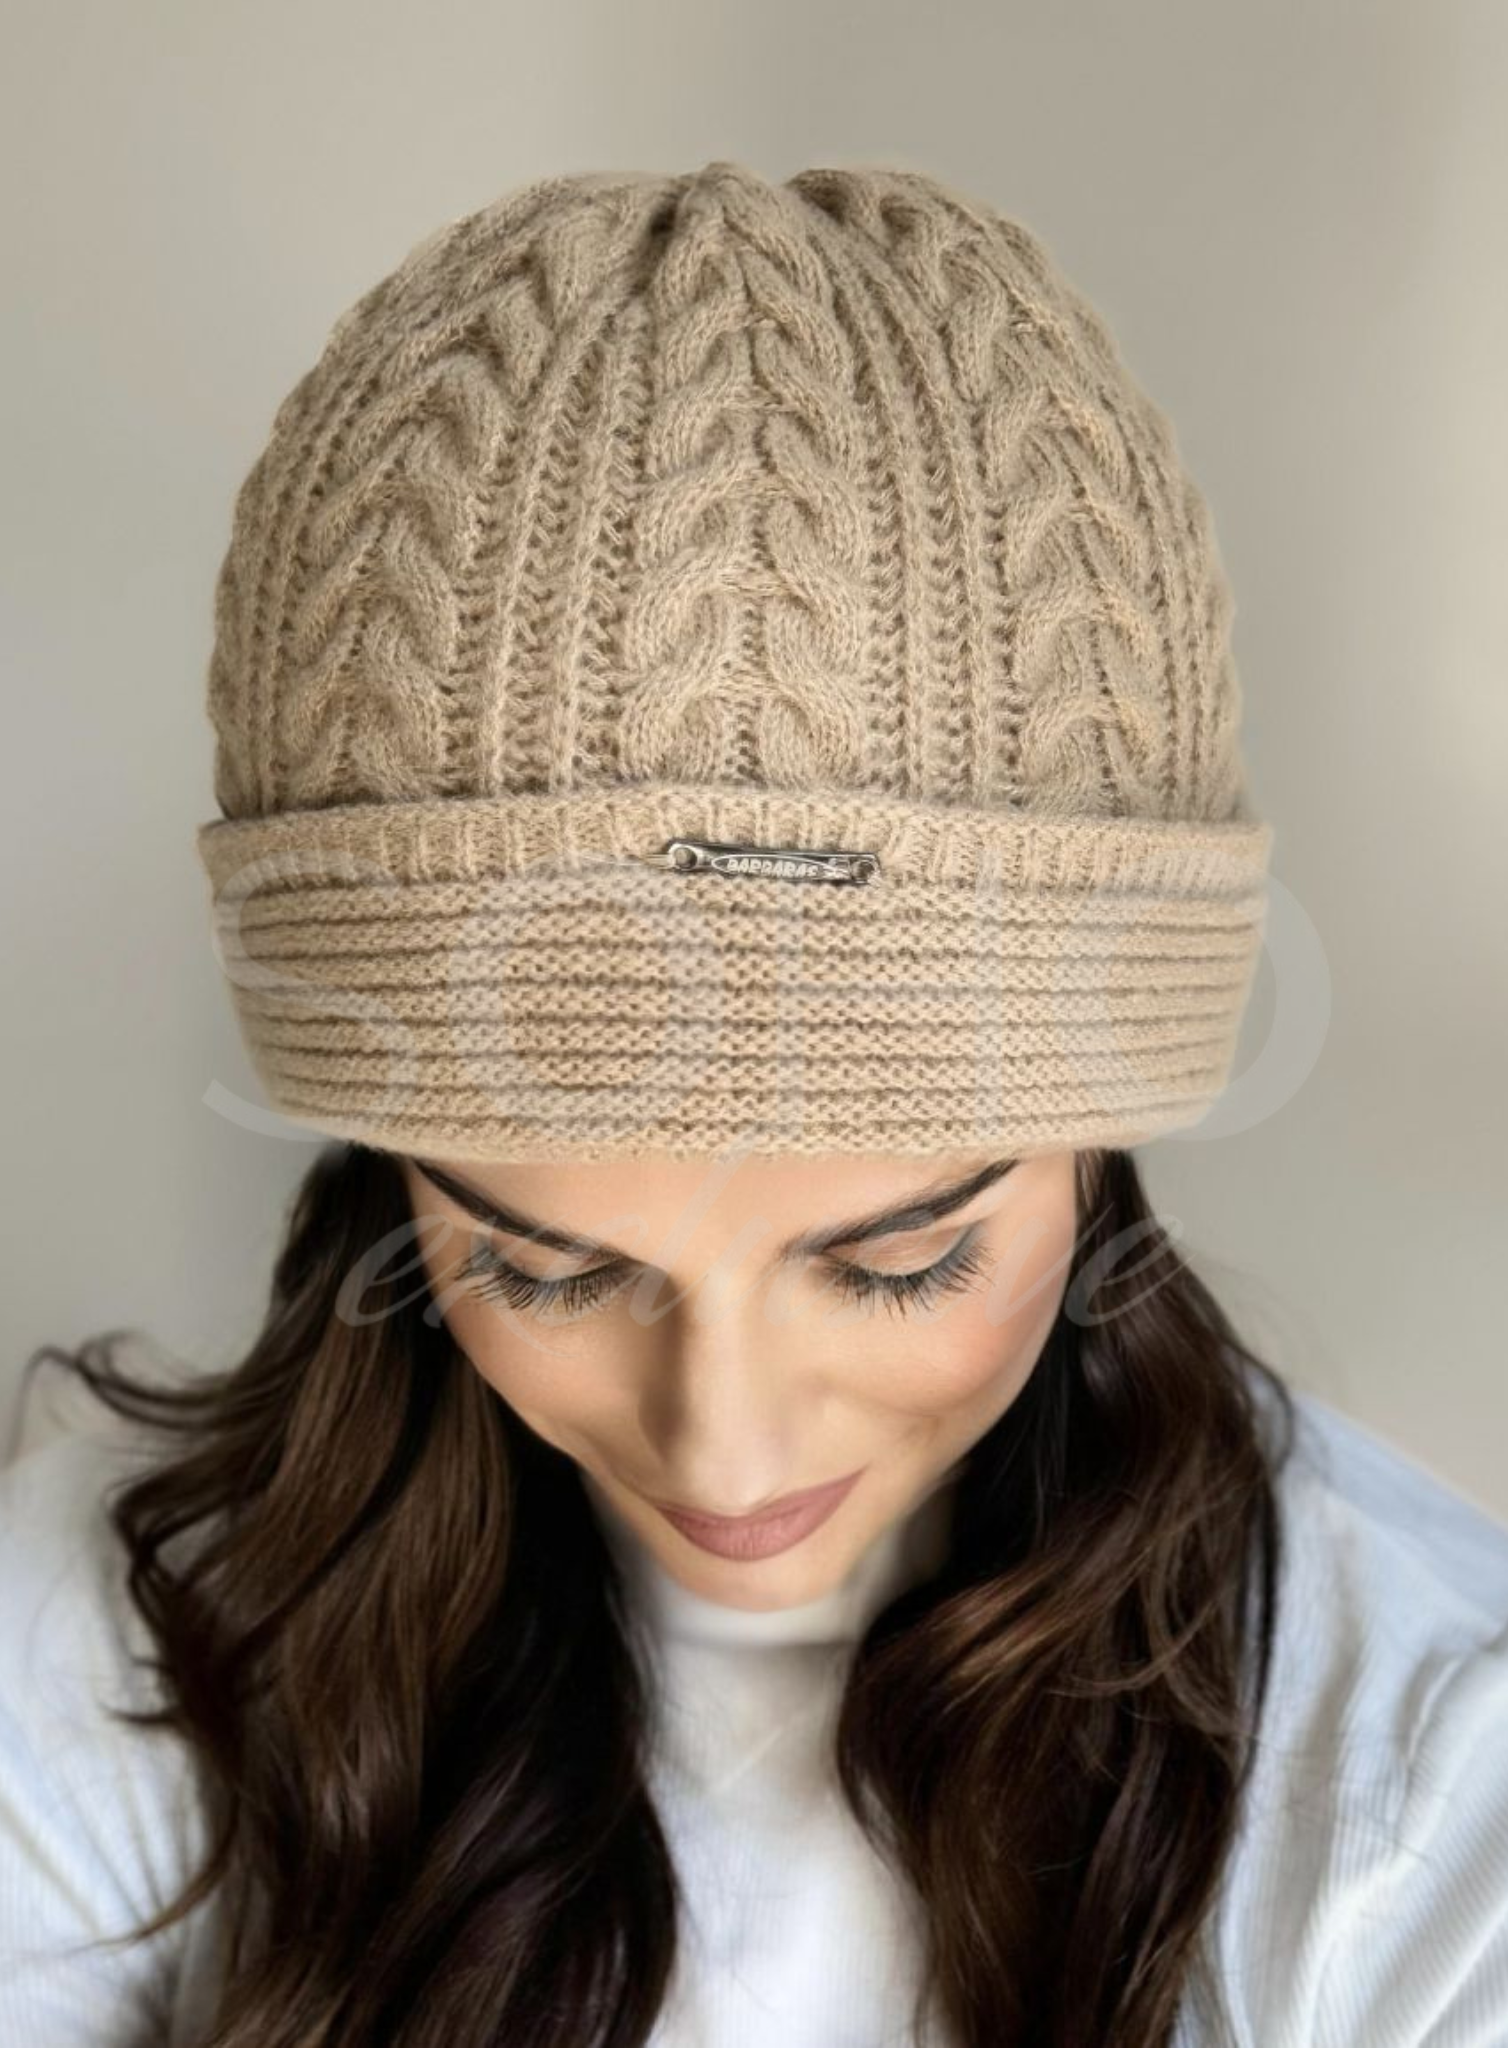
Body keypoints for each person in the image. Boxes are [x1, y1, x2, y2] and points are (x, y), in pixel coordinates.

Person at [3, 158, 1505, 2048]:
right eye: (545, 1268)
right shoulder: (102, 1651)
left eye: (898, 1261)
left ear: (1100, 1146)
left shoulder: (1435, 1797)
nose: (722, 1454)